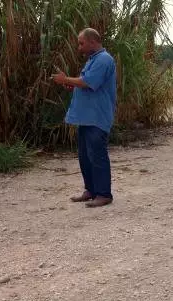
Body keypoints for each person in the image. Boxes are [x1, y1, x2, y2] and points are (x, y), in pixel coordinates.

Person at [51, 27, 116, 208]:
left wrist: (66, 80)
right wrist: (73, 84)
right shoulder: (92, 60)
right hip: (86, 117)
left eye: (81, 43)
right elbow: (85, 82)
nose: (79, 47)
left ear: (92, 42)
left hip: (97, 117)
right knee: (85, 156)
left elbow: (88, 82)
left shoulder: (103, 59)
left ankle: (103, 194)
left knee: (97, 156)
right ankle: (91, 190)